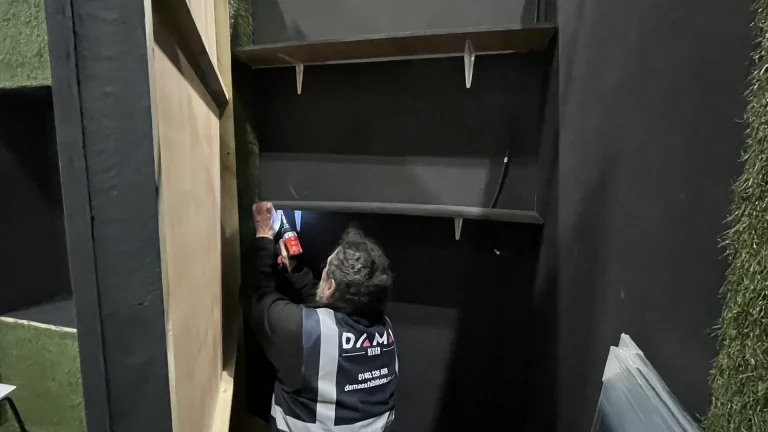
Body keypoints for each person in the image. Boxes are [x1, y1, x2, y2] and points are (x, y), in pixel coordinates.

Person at [243, 202, 398, 432]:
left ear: (331, 287)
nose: (322, 273)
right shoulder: (384, 330)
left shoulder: (302, 333)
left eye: (325, 271)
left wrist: (264, 236)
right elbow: (331, 310)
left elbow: (256, 296)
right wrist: (295, 270)